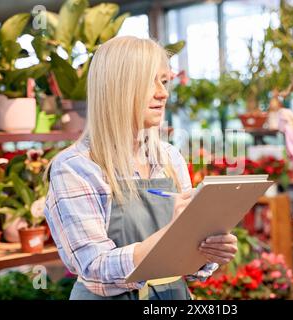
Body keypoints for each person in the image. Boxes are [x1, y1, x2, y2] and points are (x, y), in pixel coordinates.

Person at [44, 36, 238, 300]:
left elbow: (189, 266)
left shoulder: (170, 159)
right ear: (116, 87)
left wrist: (208, 250)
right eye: (150, 81)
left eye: (164, 81)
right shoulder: (75, 168)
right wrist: (171, 236)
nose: (163, 93)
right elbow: (94, 266)